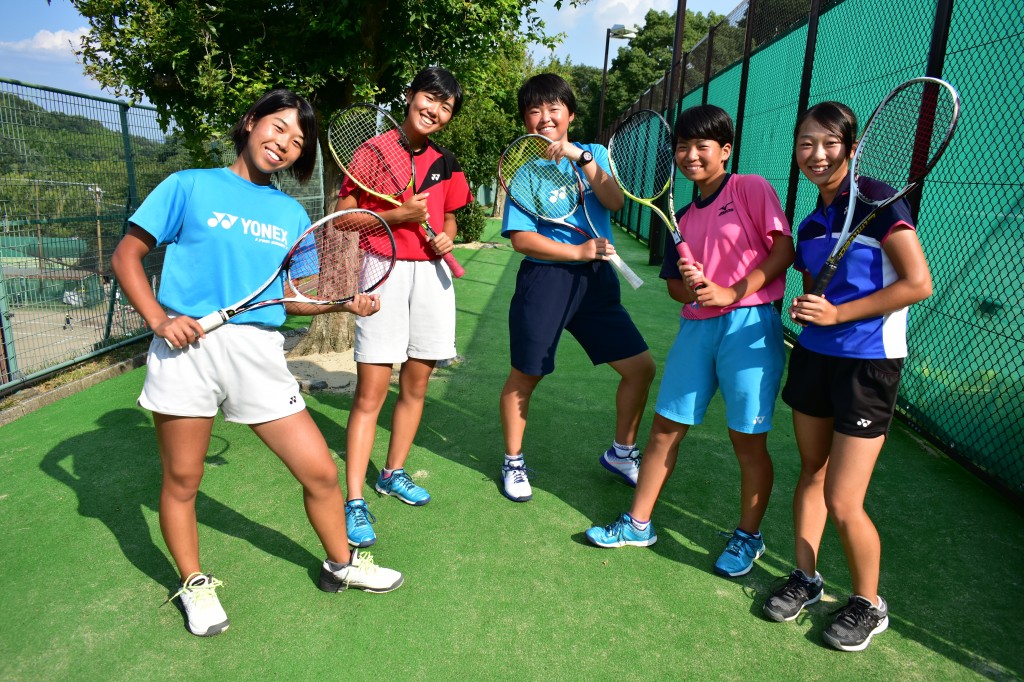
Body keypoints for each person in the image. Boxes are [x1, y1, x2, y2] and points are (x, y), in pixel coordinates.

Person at [110, 89, 403, 638]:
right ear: (250, 123)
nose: (286, 143)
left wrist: (342, 301)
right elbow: (127, 254)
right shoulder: (189, 184)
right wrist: (158, 320)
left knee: (319, 469)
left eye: (298, 140)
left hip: (259, 353)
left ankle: (341, 564)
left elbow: (288, 298)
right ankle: (194, 583)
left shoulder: (290, 212)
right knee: (182, 479)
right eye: (279, 127)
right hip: (186, 349)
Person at [585, 104, 794, 580]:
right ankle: (638, 524)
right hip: (697, 328)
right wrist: (691, 283)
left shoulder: (750, 188)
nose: (691, 155)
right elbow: (675, 288)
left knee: (748, 441)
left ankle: (748, 536)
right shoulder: (680, 212)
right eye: (683, 146)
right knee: (664, 428)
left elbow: (783, 249)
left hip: (750, 326)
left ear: (725, 150)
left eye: (703, 146)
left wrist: (731, 290)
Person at [762, 101, 932, 652]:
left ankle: (868, 603)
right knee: (811, 472)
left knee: (843, 498)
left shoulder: (880, 200)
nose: (816, 154)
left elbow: (917, 283)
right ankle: (807, 579)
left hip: (869, 363)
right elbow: (819, 290)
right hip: (814, 357)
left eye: (829, 143)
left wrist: (838, 315)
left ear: (852, 149)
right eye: (806, 143)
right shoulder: (811, 220)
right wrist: (811, 309)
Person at [498, 73, 656, 502]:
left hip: (597, 283)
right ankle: (513, 461)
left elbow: (614, 201)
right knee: (525, 377)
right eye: (535, 110)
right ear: (526, 120)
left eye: (554, 108)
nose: (545, 118)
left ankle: (622, 453)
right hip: (545, 280)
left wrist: (580, 157)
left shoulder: (596, 153)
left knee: (640, 369)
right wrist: (578, 253)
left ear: (570, 113)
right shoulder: (526, 173)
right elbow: (521, 239)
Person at [335, 67, 474, 547]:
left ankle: (392, 472)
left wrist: (446, 238)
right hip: (382, 268)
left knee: (417, 382)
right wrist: (400, 215)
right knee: (372, 390)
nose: (434, 110)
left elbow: (452, 215)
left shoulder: (446, 160)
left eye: (445, 107)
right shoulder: (372, 151)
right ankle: (354, 498)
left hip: (433, 277)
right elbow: (348, 220)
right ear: (410, 96)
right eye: (429, 98)